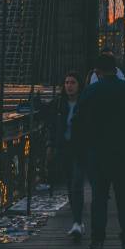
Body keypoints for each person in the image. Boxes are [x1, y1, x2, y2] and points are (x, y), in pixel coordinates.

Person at [77, 53, 125, 249]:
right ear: (116, 69)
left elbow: (80, 123)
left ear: (97, 71)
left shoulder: (91, 91)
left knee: (99, 199)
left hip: (98, 154)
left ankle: (97, 242)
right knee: (124, 198)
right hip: (124, 154)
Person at [46, 71, 87, 239]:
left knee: (77, 182)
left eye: (73, 82)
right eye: (67, 83)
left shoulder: (84, 104)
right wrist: (51, 145)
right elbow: (52, 127)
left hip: (80, 148)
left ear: (79, 85)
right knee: (71, 183)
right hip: (65, 148)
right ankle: (77, 220)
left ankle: (77, 222)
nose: (69, 86)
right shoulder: (58, 105)